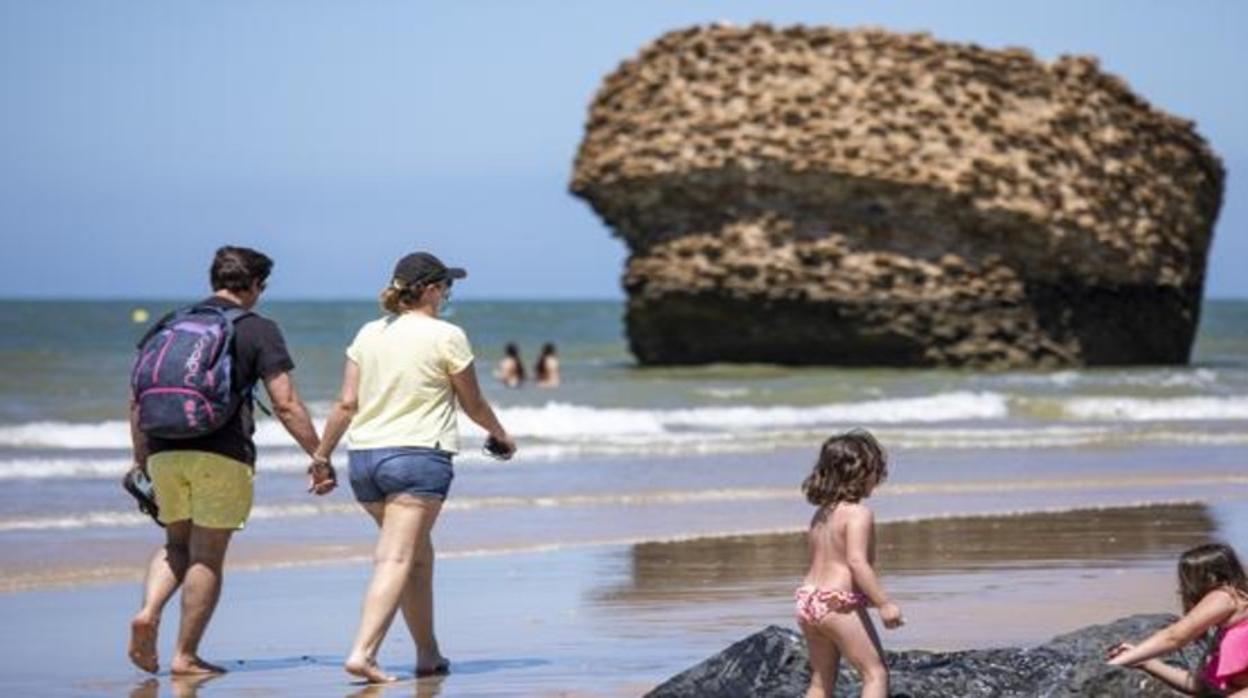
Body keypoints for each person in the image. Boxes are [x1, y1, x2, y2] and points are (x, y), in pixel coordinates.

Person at [126, 246, 335, 676]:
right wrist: (319, 454)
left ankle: (148, 609)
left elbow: (136, 398)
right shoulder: (258, 329)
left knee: (175, 545)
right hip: (222, 453)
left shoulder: (169, 323)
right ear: (256, 285)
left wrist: (141, 460)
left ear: (214, 279)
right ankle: (185, 655)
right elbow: (286, 403)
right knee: (207, 555)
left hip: (164, 449)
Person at [312, 251, 517, 683]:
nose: (447, 295)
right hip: (418, 459)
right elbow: (473, 402)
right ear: (429, 290)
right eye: (445, 287)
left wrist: (321, 455)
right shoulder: (447, 335)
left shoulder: (368, 333)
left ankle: (428, 653)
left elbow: (346, 403)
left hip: (364, 461)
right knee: (397, 556)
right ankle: (363, 653)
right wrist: (501, 435)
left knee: (418, 557)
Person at [795, 429, 904, 698]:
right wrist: (884, 604)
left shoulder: (821, 514)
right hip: (838, 602)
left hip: (808, 600)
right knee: (875, 673)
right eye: (876, 472)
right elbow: (857, 563)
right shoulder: (858, 514)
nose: (878, 479)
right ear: (860, 473)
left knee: (821, 682)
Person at [1107, 542, 1248, 695]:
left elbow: (1174, 637)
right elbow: (1198, 687)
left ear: (1211, 578)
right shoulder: (1224, 630)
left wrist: (1115, 663)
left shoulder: (1226, 595)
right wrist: (1146, 663)